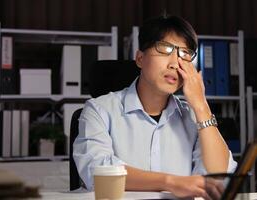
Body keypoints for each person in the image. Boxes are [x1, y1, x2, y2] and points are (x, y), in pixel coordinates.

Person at [73, 14, 237, 199]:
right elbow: (98, 171)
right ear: (140, 58)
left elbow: (219, 177)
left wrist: (201, 105)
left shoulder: (194, 118)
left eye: (185, 54)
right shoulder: (99, 110)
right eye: (165, 49)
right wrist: (171, 182)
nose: (175, 63)